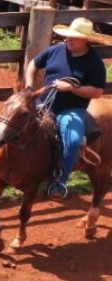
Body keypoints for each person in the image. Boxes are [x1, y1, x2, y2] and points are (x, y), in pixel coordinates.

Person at [23, 16, 108, 199]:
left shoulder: (94, 63)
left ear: (85, 40)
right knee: (13, 124)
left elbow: (97, 91)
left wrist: (72, 88)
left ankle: (60, 181)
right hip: (43, 103)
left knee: (74, 140)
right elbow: (34, 64)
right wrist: (30, 86)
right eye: (68, 36)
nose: (68, 40)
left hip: (71, 111)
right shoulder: (56, 50)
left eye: (73, 37)